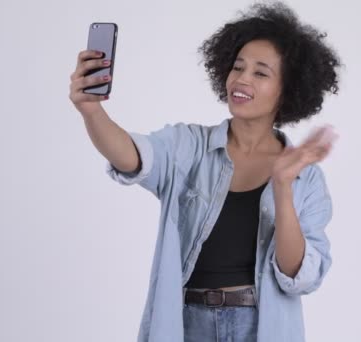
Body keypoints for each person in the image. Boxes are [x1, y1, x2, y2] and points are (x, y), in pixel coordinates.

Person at [69, 2, 342, 341]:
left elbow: (296, 274)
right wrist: (91, 111)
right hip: (185, 323)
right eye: (238, 67)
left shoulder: (306, 178)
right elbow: (132, 156)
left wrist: (283, 185)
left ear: (287, 89)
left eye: (260, 72)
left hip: (259, 328)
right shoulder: (190, 146)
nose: (241, 79)